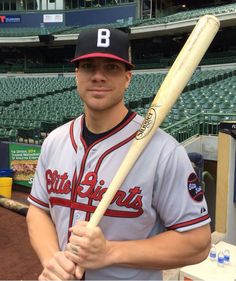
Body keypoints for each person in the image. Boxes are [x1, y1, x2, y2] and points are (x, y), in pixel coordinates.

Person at [26, 27, 211, 281]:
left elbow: (198, 243)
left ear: (128, 77)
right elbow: (38, 211)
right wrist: (52, 260)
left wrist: (111, 252)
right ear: (76, 74)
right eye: (89, 66)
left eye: (111, 67)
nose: (98, 76)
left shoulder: (164, 152)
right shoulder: (54, 141)